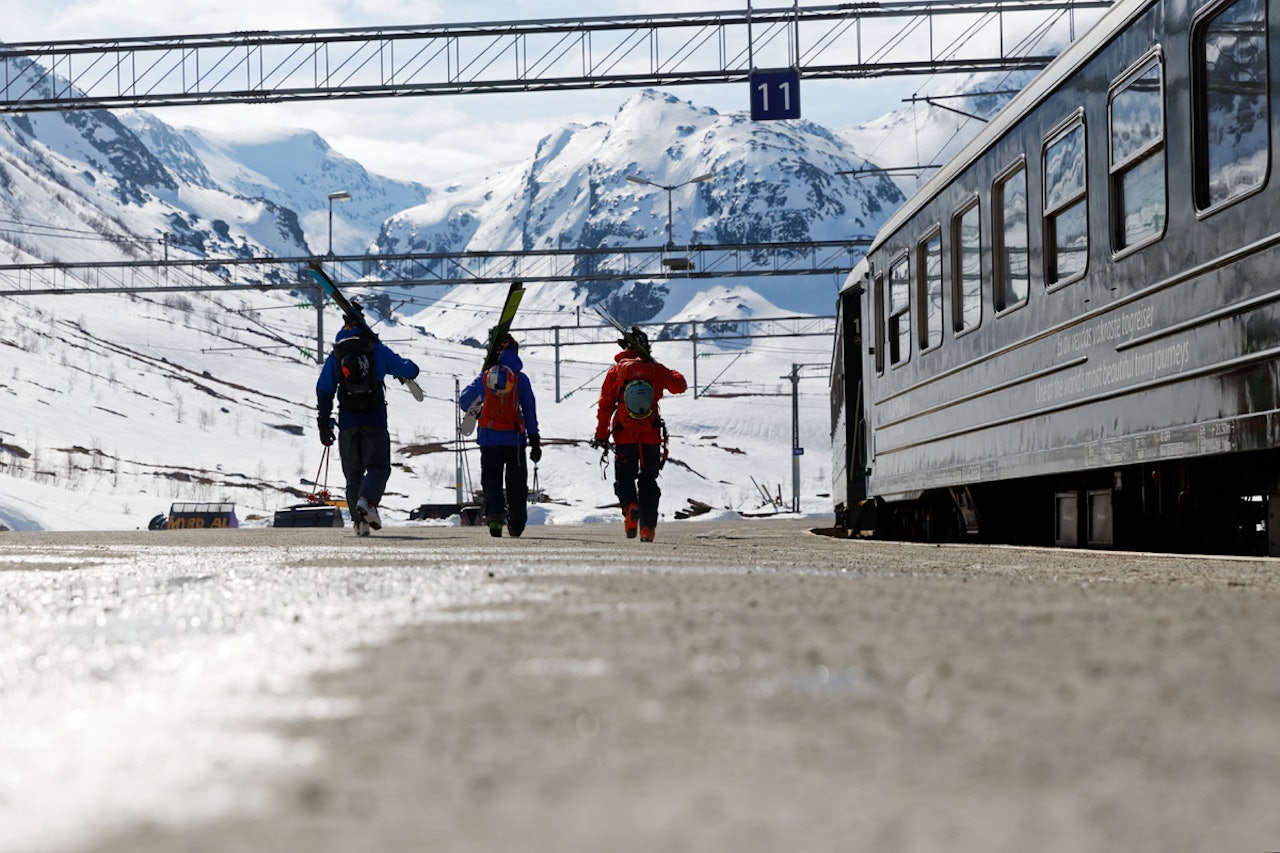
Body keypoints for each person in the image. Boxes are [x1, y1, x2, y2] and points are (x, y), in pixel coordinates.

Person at [316, 318, 420, 537]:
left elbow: (324, 388)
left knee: (353, 474)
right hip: (375, 420)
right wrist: (405, 368)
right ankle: (368, 501)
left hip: (347, 423)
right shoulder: (376, 350)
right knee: (378, 467)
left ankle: (359, 522)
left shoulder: (336, 355)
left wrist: (324, 421)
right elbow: (409, 370)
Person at [592, 328, 686, 542]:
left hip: (624, 435)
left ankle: (630, 506)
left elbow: (605, 406)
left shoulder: (616, 372)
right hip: (650, 435)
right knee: (648, 481)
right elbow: (680, 386)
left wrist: (601, 435)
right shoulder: (655, 369)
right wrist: (670, 371)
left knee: (624, 478)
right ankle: (647, 529)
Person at [458, 334, 541, 538]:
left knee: (491, 481)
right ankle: (517, 524)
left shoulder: (486, 377)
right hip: (515, 441)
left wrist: (481, 402)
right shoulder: (520, 379)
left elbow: (464, 401)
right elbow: (529, 409)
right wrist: (534, 439)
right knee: (517, 484)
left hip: (489, 439)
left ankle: (494, 519)